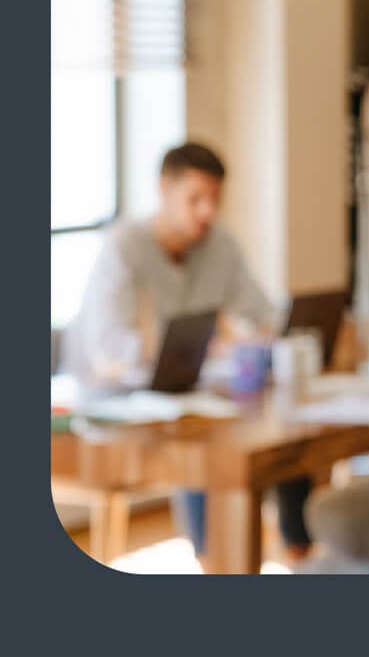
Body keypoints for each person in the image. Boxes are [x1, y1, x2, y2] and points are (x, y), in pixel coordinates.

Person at [63, 142, 314, 564]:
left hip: (183, 392)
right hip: (111, 402)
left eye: (215, 200)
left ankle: (300, 554)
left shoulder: (221, 247)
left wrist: (259, 339)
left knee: (285, 432)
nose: (207, 213)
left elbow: (262, 316)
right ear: (164, 189)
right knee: (207, 437)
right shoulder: (124, 246)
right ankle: (211, 561)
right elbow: (107, 347)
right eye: (195, 199)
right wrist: (192, 346)